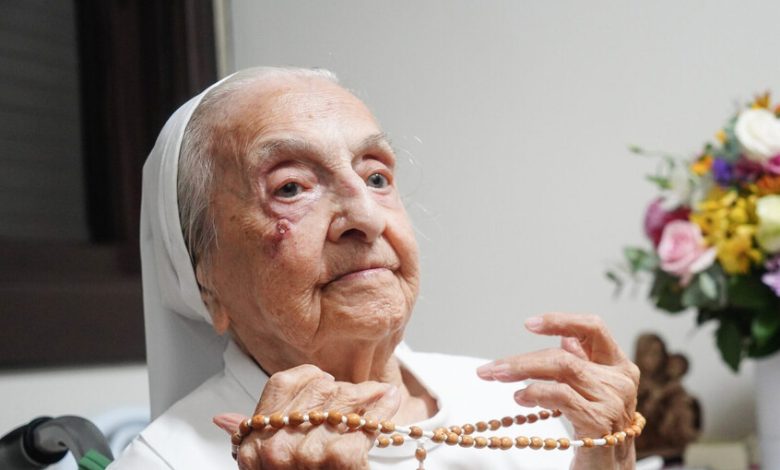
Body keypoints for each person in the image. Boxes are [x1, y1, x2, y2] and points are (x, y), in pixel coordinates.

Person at [109, 67, 640, 469]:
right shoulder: (164, 462)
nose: (365, 216)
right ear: (204, 279)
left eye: (376, 177)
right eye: (290, 187)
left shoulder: (523, 407)